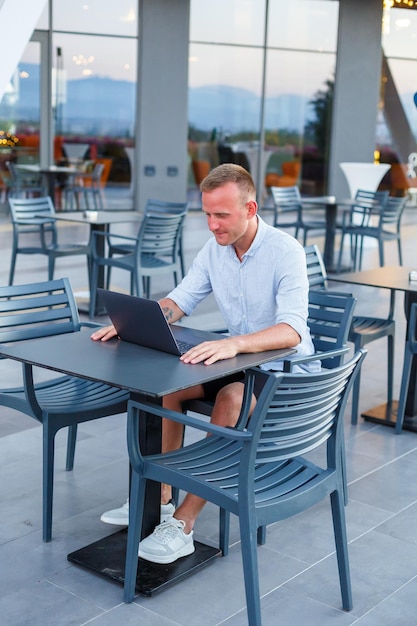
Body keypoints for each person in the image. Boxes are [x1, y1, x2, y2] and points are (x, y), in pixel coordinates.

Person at [91, 163, 317, 564]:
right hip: (241, 364)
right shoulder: (215, 250)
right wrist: (133, 320)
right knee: (168, 389)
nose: (212, 225)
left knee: (231, 398)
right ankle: (159, 498)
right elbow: (179, 302)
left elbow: (293, 330)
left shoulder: (286, 252)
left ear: (250, 209)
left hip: (287, 376)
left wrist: (234, 345)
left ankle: (183, 524)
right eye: (207, 214)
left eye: (221, 215)